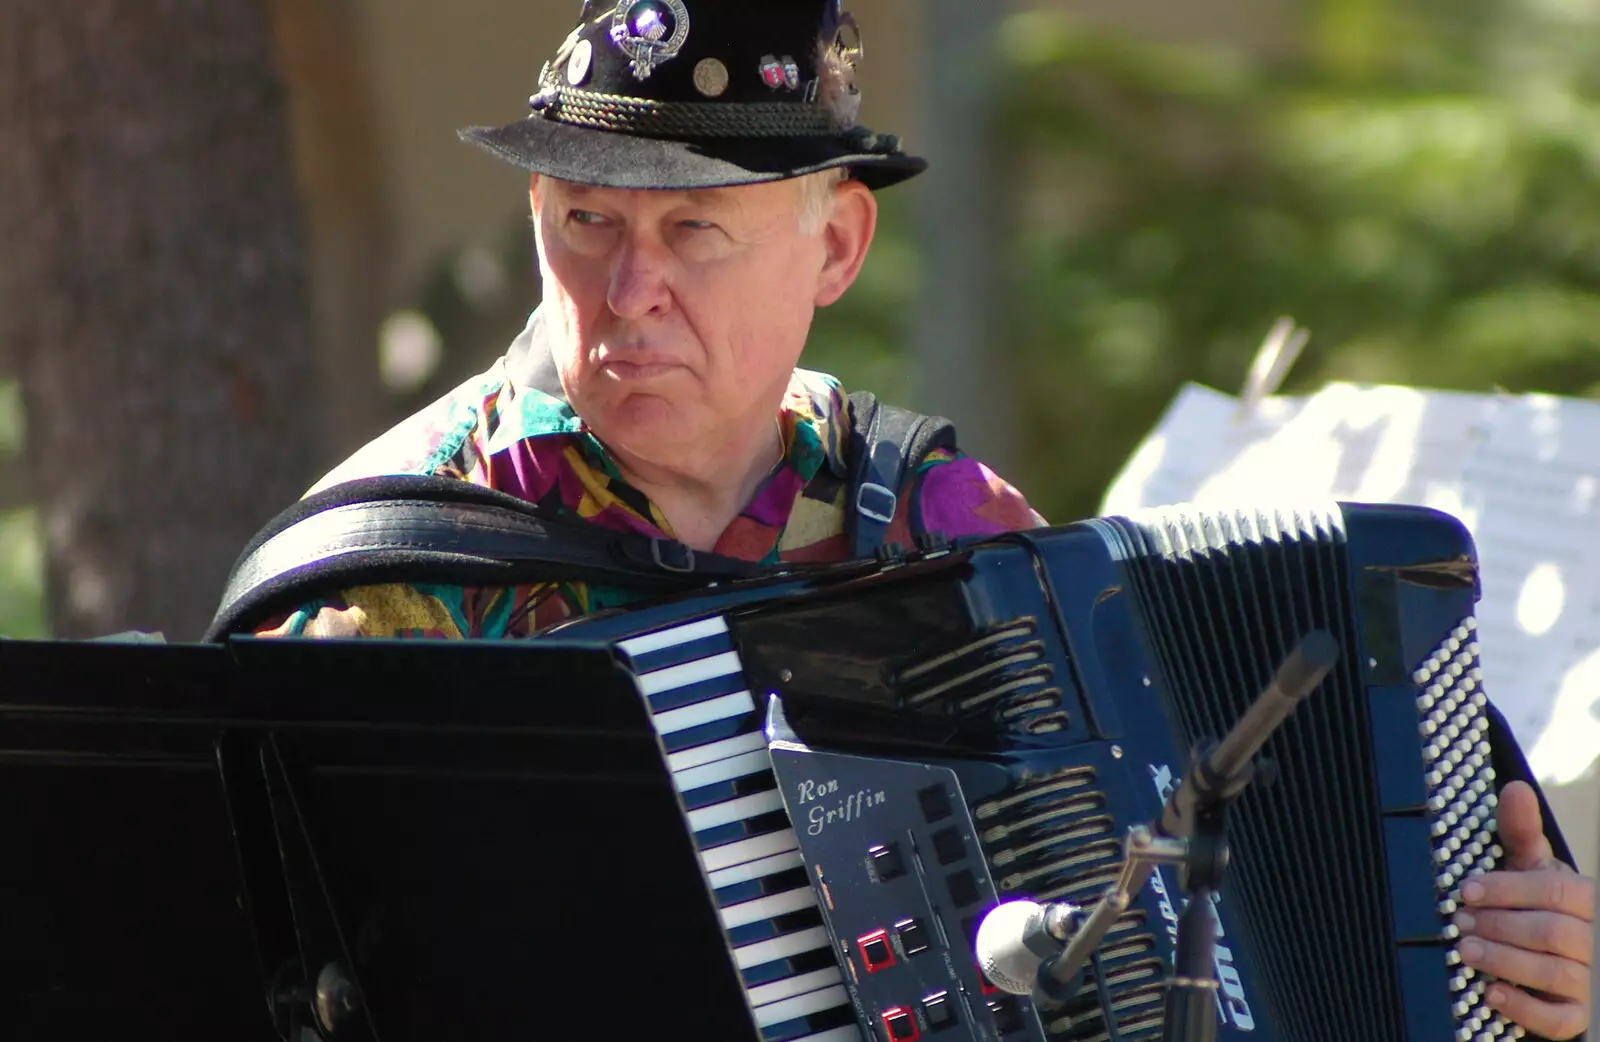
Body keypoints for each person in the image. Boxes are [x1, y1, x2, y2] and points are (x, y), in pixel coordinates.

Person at [242, 1, 1594, 1036]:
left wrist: (1512, 965)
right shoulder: (391, 565)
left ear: (835, 245)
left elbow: (1148, 947)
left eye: (696, 230)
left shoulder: (951, 529)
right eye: (586, 220)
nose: (627, 288)